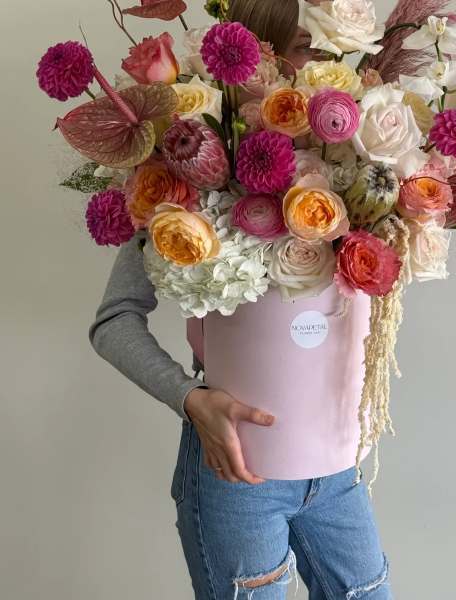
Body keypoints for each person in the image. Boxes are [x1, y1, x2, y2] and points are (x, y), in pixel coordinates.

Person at [88, 0, 393, 597]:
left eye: (334, 51)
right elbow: (113, 322)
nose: (323, 68)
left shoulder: (365, 175)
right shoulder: (184, 187)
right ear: (257, 53)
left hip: (335, 466)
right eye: (304, 46)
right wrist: (190, 399)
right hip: (235, 469)